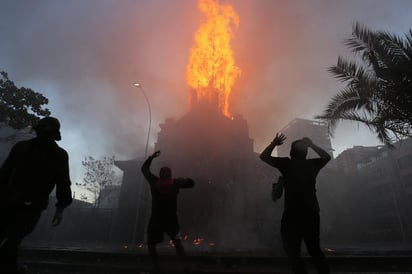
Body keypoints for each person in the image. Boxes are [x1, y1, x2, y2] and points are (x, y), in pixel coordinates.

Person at [0, 117, 72, 274]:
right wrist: (60, 208)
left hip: (28, 206)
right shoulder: (23, 148)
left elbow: (63, 183)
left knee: (11, 242)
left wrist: (60, 207)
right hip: (11, 203)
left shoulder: (57, 155)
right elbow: (4, 174)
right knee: (10, 242)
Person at [260, 133, 331, 274]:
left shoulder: (287, 164)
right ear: (305, 153)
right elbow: (327, 157)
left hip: (292, 214)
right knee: (314, 249)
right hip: (311, 213)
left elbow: (264, 156)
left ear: (292, 153)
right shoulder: (312, 164)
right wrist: (312, 144)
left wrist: (274, 143)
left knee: (292, 250)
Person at [141, 150, 194, 271]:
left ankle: (158, 267)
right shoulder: (174, 183)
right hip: (168, 219)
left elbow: (144, 169)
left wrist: (152, 158)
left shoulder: (155, 181)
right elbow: (191, 184)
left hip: (159, 218)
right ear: (169, 174)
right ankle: (184, 266)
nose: (164, 173)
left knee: (154, 243)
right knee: (176, 242)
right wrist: (185, 180)